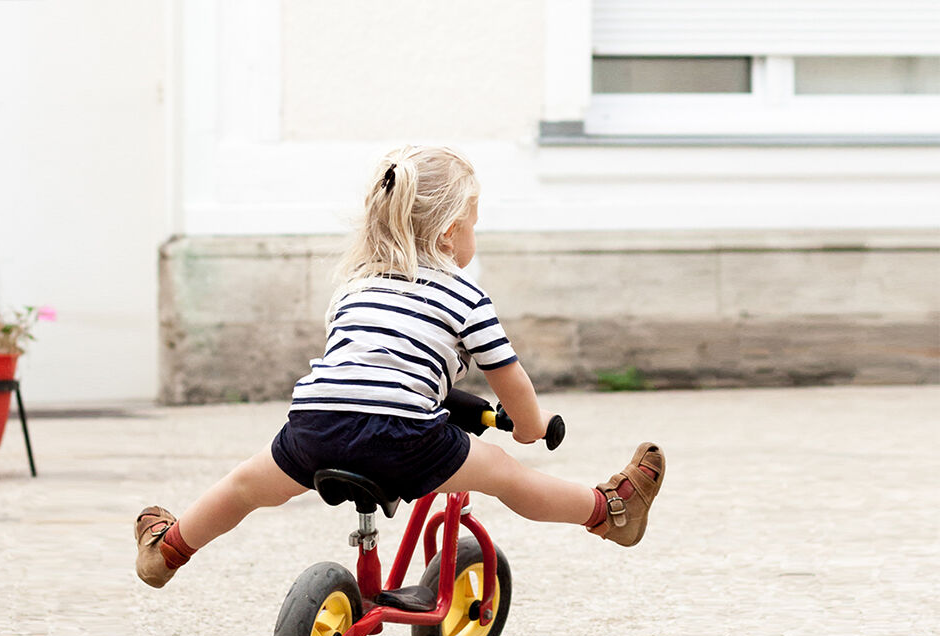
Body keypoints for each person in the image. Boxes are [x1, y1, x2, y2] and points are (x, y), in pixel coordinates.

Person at [135, 146, 664, 589]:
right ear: (451, 233)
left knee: (245, 486)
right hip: (405, 435)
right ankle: (610, 511)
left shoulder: (353, 288)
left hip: (316, 424)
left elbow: (366, 365)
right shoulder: (466, 296)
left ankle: (169, 550)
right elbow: (510, 376)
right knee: (507, 475)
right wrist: (529, 426)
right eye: (474, 226)